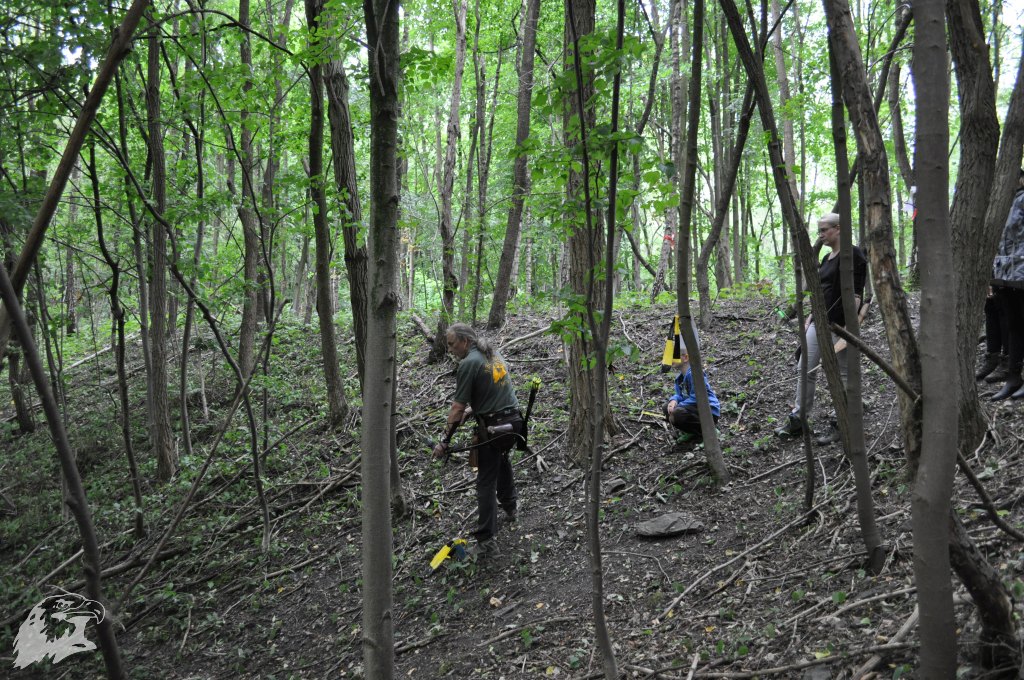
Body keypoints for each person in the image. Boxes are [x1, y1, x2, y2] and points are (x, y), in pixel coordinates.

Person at [775, 211, 867, 444]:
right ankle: (798, 419)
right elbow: (820, 291)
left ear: (839, 229)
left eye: (824, 229)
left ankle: (845, 423)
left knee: (842, 371)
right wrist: (812, 316)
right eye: (819, 230)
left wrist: (849, 327)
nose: (821, 235)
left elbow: (856, 294)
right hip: (820, 322)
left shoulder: (854, 255)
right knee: (805, 367)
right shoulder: (827, 259)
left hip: (841, 325)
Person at [432, 323, 523, 558]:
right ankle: (511, 506)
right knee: (501, 460)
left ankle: (486, 541)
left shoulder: (469, 363)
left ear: (464, 341)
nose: (450, 349)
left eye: (452, 344)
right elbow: (495, 392)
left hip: (493, 428)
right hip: (513, 423)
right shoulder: (492, 354)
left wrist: (445, 441)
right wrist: (474, 411)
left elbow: (456, 407)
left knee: (485, 481)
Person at [989, 169, 1024, 400]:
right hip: (1003, 273)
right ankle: (1013, 377)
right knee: (1013, 324)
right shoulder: (1001, 202)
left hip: (1021, 271)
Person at [664, 348, 720, 443]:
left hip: (708, 411)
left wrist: (678, 406)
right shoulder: (680, 378)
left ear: (685, 357)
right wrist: (674, 400)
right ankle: (690, 431)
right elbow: (680, 395)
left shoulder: (695, 374)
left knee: (677, 413)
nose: (670, 359)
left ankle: (708, 431)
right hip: (693, 408)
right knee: (667, 407)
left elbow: (698, 397)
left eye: (674, 356)